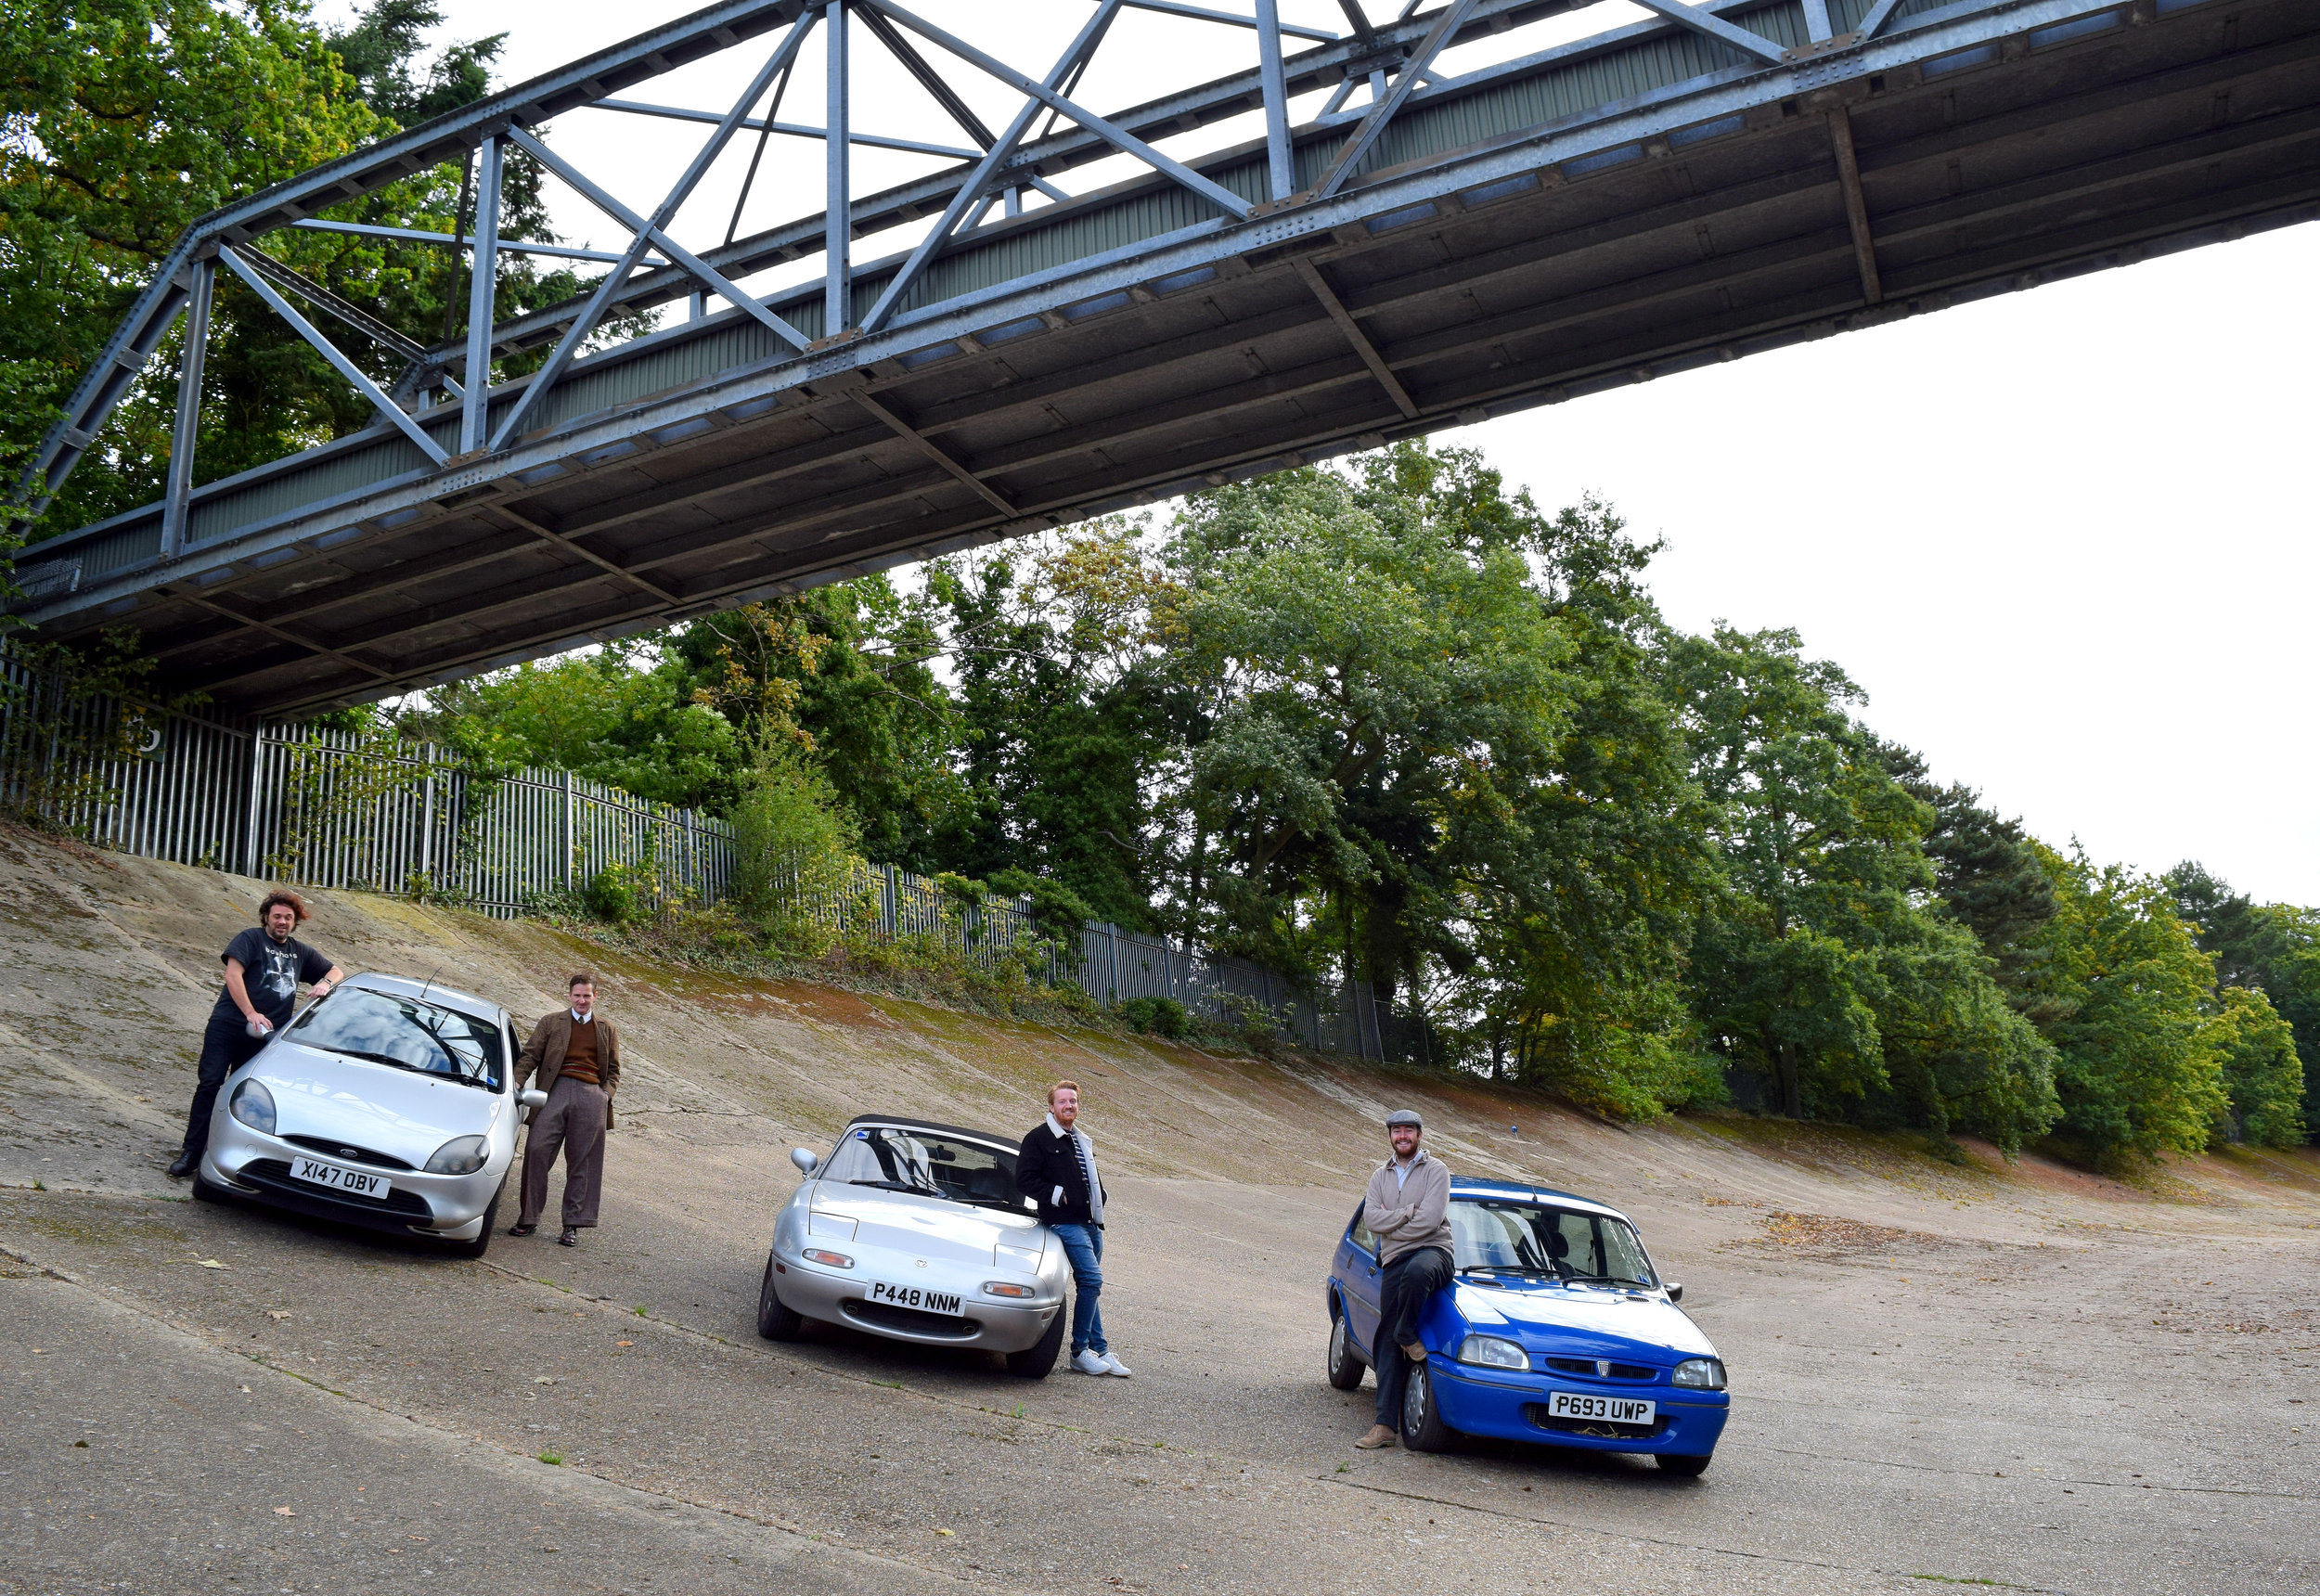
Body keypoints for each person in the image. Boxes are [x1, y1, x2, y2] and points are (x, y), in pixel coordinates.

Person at [169, 891, 343, 1179]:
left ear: (295, 921)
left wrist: (324, 983)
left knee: (242, 1096)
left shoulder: (299, 952)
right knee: (211, 1083)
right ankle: (191, 1152)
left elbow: (336, 971)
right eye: (277, 916)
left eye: (288, 918)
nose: (282, 922)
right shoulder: (249, 939)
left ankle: (221, 1152)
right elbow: (232, 975)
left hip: (264, 1038)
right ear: (266, 917)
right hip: (228, 1025)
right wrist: (250, 1013)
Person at [1355, 1108, 1453, 1449]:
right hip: (1394, 1259)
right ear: (1390, 1136)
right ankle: (1384, 1427)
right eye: (1397, 1131)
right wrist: (1406, 1214)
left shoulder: (1437, 1171)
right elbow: (1371, 1219)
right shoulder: (1379, 1176)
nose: (1402, 1136)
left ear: (1420, 1135)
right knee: (1385, 1338)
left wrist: (1393, 1225)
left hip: (1434, 1252)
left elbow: (1429, 1222)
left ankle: (1407, 1332)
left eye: (1408, 1130)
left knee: (1417, 1272)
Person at [1016, 1080, 1129, 1377]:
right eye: (1063, 1101)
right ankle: (1080, 1352)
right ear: (1051, 1107)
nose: (1069, 1106)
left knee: (1088, 1287)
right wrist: (1058, 1195)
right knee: (1092, 1281)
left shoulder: (1080, 1139)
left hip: (1090, 1223)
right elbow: (1024, 1180)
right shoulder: (1038, 1139)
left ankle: (1100, 1349)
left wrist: (1099, 1198)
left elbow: (1089, 1177)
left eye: (1074, 1101)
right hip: (1064, 1223)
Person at [510, 973, 621, 1247]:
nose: (582, 1000)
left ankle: (572, 1224)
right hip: (554, 1091)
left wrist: (604, 1095)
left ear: (596, 997)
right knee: (536, 1150)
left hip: (591, 1096)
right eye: (577, 995)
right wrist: (517, 1080)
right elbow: (531, 1055)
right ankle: (528, 1218)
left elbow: (615, 1070)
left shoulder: (607, 1028)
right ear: (569, 996)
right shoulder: (551, 1022)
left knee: (582, 1161)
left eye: (587, 995)